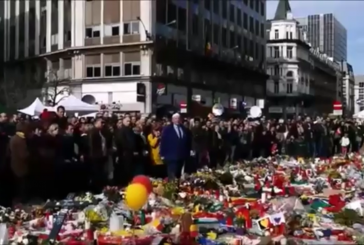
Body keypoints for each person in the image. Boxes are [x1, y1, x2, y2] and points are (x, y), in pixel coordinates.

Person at [160, 113, 191, 180]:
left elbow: (187, 141)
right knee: (172, 175)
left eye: (178, 118)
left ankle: (178, 188)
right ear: (172, 120)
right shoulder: (167, 129)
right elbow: (163, 142)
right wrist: (162, 154)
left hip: (181, 156)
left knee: (178, 175)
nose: (177, 120)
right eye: (176, 118)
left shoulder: (184, 129)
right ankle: (172, 188)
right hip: (171, 156)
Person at [9, 122, 31, 203]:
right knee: (22, 185)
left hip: (14, 164)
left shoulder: (13, 137)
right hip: (21, 165)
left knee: (18, 183)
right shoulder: (20, 139)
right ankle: (23, 200)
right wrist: (29, 154)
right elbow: (23, 155)